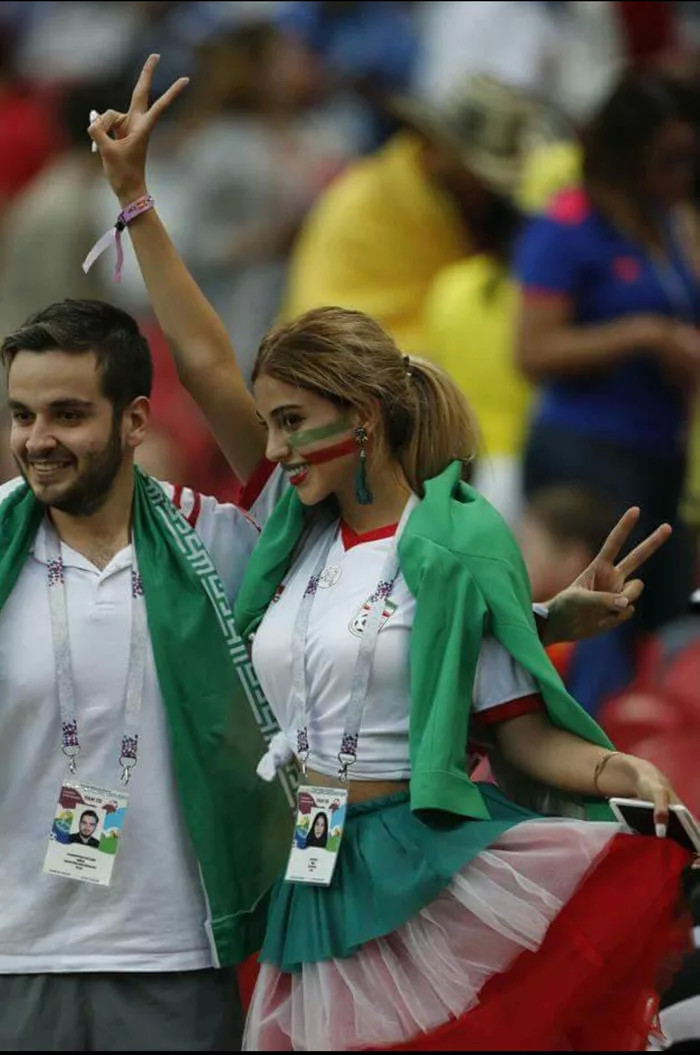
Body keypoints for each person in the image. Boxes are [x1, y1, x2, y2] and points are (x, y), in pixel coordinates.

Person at [89, 57, 696, 1053]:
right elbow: (202, 363)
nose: (273, 448)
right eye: (269, 423)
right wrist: (136, 198)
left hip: (420, 874)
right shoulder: (291, 526)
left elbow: (514, 729)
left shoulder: (453, 540)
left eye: (294, 422)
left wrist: (616, 764)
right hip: (306, 874)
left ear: (363, 418)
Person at [0, 297, 292, 1052]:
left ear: (134, 421)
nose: (37, 439)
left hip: (175, 956)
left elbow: (357, 595)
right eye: (22, 415)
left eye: (67, 414)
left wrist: (537, 619)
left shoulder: (217, 544)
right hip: (12, 958)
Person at [514, 71, 700, 712]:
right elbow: (532, 351)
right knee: (596, 628)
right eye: (669, 158)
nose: (683, 172)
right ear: (627, 152)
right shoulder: (567, 225)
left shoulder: (665, 221)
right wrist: (643, 336)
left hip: (658, 453)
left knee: (662, 619)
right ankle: (580, 753)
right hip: (586, 455)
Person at [281, 73, 564, 352]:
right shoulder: (363, 206)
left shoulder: (479, 210)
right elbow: (324, 335)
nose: (483, 188)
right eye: (474, 173)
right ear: (432, 146)